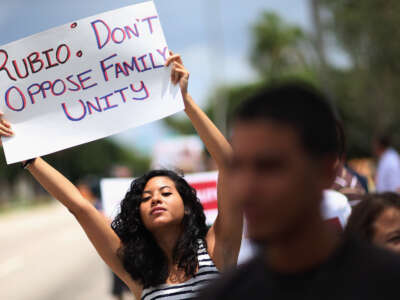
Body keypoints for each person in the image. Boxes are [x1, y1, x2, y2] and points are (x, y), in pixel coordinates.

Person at [0, 53, 243, 300]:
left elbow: (229, 165)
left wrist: (186, 102)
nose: (155, 200)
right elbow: (81, 207)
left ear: (188, 207)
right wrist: (29, 157)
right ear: (139, 217)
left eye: (166, 193)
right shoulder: (137, 271)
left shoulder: (217, 248)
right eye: (146, 198)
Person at [198, 82, 400, 300]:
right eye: (239, 167)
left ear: (326, 170)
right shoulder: (224, 294)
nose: (247, 188)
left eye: (269, 167)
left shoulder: (387, 281)